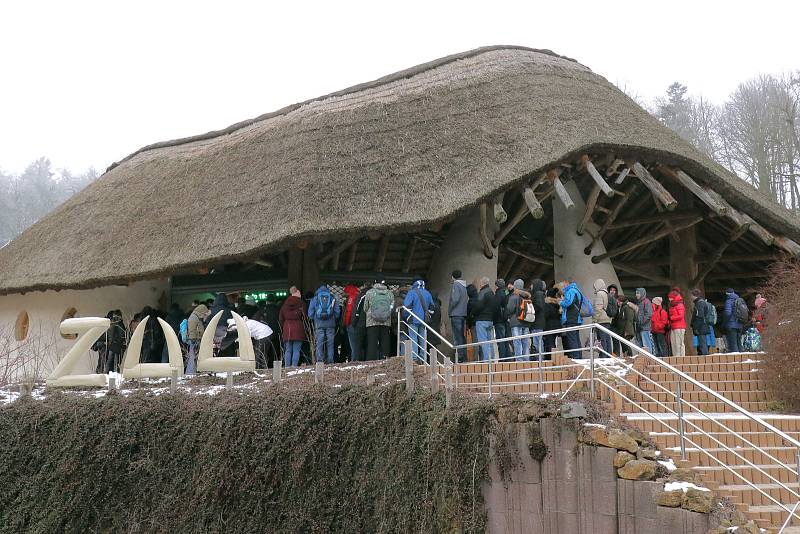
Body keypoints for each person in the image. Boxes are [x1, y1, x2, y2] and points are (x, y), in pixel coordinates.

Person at [308, 284, 341, 364]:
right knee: (330, 344)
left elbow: (310, 313)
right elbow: (337, 313)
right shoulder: (332, 298)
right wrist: (332, 318)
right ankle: (330, 361)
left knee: (319, 344)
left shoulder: (315, 298)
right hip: (330, 325)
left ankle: (319, 361)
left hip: (319, 325)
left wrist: (316, 319)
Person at [402, 279, 433, 363]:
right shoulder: (428, 293)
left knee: (413, 338)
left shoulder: (411, 293)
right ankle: (423, 358)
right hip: (423, 321)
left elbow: (406, 307)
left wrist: (407, 317)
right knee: (423, 339)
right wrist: (428, 316)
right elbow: (432, 308)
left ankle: (414, 358)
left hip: (413, 320)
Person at [364, 280, 394, 360]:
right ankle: (385, 359)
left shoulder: (369, 292)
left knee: (372, 343)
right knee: (385, 342)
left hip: (372, 322)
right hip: (386, 321)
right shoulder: (390, 293)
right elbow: (392, 307)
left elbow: (365, 308)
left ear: (374, 283)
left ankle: (371, 361)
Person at [506, 279, 533, 361]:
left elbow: (509, 309)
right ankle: (526, 359)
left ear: (515, 286)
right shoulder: (527, 296)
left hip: (516, 322)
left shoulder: (514, 296)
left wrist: (509, 316)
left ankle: (519, 360)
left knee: (517, 341)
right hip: (526, 321)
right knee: (525, 341)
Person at [470, 277, 496, 361]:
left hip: (481, 320)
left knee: (483, 341)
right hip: (490, 320)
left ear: (482, 284)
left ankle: (486, 360)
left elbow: (478, 306)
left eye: (480, 283)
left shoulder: (482, 292)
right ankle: (492, 358)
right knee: (490, 341)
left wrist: (472, 313)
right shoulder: (491, 292)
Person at [279, 287, 305, 367]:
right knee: (296, 350)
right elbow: (305, 317)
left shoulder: (285, 305)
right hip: (298, 328)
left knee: (288, 350)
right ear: (296, 293)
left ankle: (287, 367)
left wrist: (285, 326)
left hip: (287, 328)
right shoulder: (301, 303)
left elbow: (280, 318)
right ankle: (294, 367)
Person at [559, 279, 585, 357]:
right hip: (576, 319)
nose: (562, 287)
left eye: (563, 285)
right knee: (576, 339)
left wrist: (560, 302)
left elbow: (568, 302)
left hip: (571, 319)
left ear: (567, 284)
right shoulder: (577, 290)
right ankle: (579, 357)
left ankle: (576, 358)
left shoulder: (571, 291)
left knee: (572, 340)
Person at [448, 270, 468, 362]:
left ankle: (460, 358)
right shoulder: (464, 286)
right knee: (461, 336)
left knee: (457, 337)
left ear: (453, 277)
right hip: (463, 313)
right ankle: (464, 356)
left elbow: (455, 299)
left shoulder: (456, 285)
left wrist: (450, 309)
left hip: (456, 314)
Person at [186, 302, 210, 374]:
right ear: (201, 312)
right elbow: (193, 331)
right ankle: (191, 373)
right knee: (193, 358)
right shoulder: (194, 318)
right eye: (204, 313)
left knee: (193, 358)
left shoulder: (196, 317)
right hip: (195, 340)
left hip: (195, 340)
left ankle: (192, 372)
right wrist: (195, 340)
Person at [591, 279, 613, 357]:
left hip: (601, 320)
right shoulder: (606, 293)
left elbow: (598, 308)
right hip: (607, 319)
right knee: (607, 339)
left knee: (602, 339)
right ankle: (609, 356)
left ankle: (603, 356)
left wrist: (594, 320)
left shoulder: (599, 294)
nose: (594, 288)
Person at [349, 284, 369, 361]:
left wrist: (353, 323)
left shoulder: (361, 296)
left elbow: (356, 311)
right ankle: (367, 360)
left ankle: (356, 361)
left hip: (359, 324)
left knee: (356, 345)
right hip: (370, 324)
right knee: (368, 344)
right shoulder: (372, 296)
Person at [342, 283, 361, 361]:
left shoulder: (351, 298)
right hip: (360, 324)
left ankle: (354, 360)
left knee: (353, 345)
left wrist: (346, 323)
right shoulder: (359, 296)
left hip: (351, 324)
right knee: (357, 344)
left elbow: (349, 312)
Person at [723, 288, 746, 353]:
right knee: (739, 343)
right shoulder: (740, 300)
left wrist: (725, 322)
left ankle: (736, 359)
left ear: (727, 293)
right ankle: (743, 359)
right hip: (740, 324)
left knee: (733, 343)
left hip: (731, 325)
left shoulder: (729, 301)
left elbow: (728, 313)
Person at [690, 289, 712, 356]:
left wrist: (696, 327)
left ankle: (705, 358)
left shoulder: (700, 303)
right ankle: (703, 357)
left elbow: (700, 316)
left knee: (702, 344)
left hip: (701, 327)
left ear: (694, 295)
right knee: (702, 344)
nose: (691, 297)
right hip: (703, 326)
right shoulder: (700, 302)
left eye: (691, 295)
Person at [492, 279, 509, 361]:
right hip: (506, 319)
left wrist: (493, 318)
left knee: (501, 340)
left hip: (499, 320)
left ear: (497, 286)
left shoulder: (498, 294)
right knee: (506, 340)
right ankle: (508, 357)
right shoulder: (507, 293)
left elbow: (495, 308)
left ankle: (502, 359)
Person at [543, 286, 562, 358]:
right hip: (557, 325)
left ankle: (551, 357)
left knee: (550, 342)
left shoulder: (547, 304)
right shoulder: (558, 304)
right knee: (553, 342)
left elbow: (546, 314)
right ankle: (554, 357)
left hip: (549, 326)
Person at [530, 279, 547, 359]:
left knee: (538, 342)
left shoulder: (538, 294)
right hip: (538, 322)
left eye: (532, 284)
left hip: (537, 322)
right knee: (537, 342)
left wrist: (531, 309)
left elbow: (539, 306)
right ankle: (539, 359)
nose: (531, 286)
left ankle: (540, 360)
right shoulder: (540, 294)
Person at [634, 288, 654, 354]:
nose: (636, 295)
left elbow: (648, 314)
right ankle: (643, 360)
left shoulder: (647, 302)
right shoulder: (639, 302)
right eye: (636, 293)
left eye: (638, 293)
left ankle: (649, 359)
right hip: (639, 328)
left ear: (642, 293)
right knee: (641, 346)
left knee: (647, 345)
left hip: (645, 328)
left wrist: (641, 322)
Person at [668, 288, 687, 357]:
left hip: (679, 327)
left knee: (679, 343)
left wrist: (671, 318)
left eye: (670, 298)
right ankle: (676, 356)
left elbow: (681, 315)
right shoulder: (673, 305)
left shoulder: (679, 305)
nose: (669, 299)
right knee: (674, 343)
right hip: (674, 326)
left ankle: (680, 357)